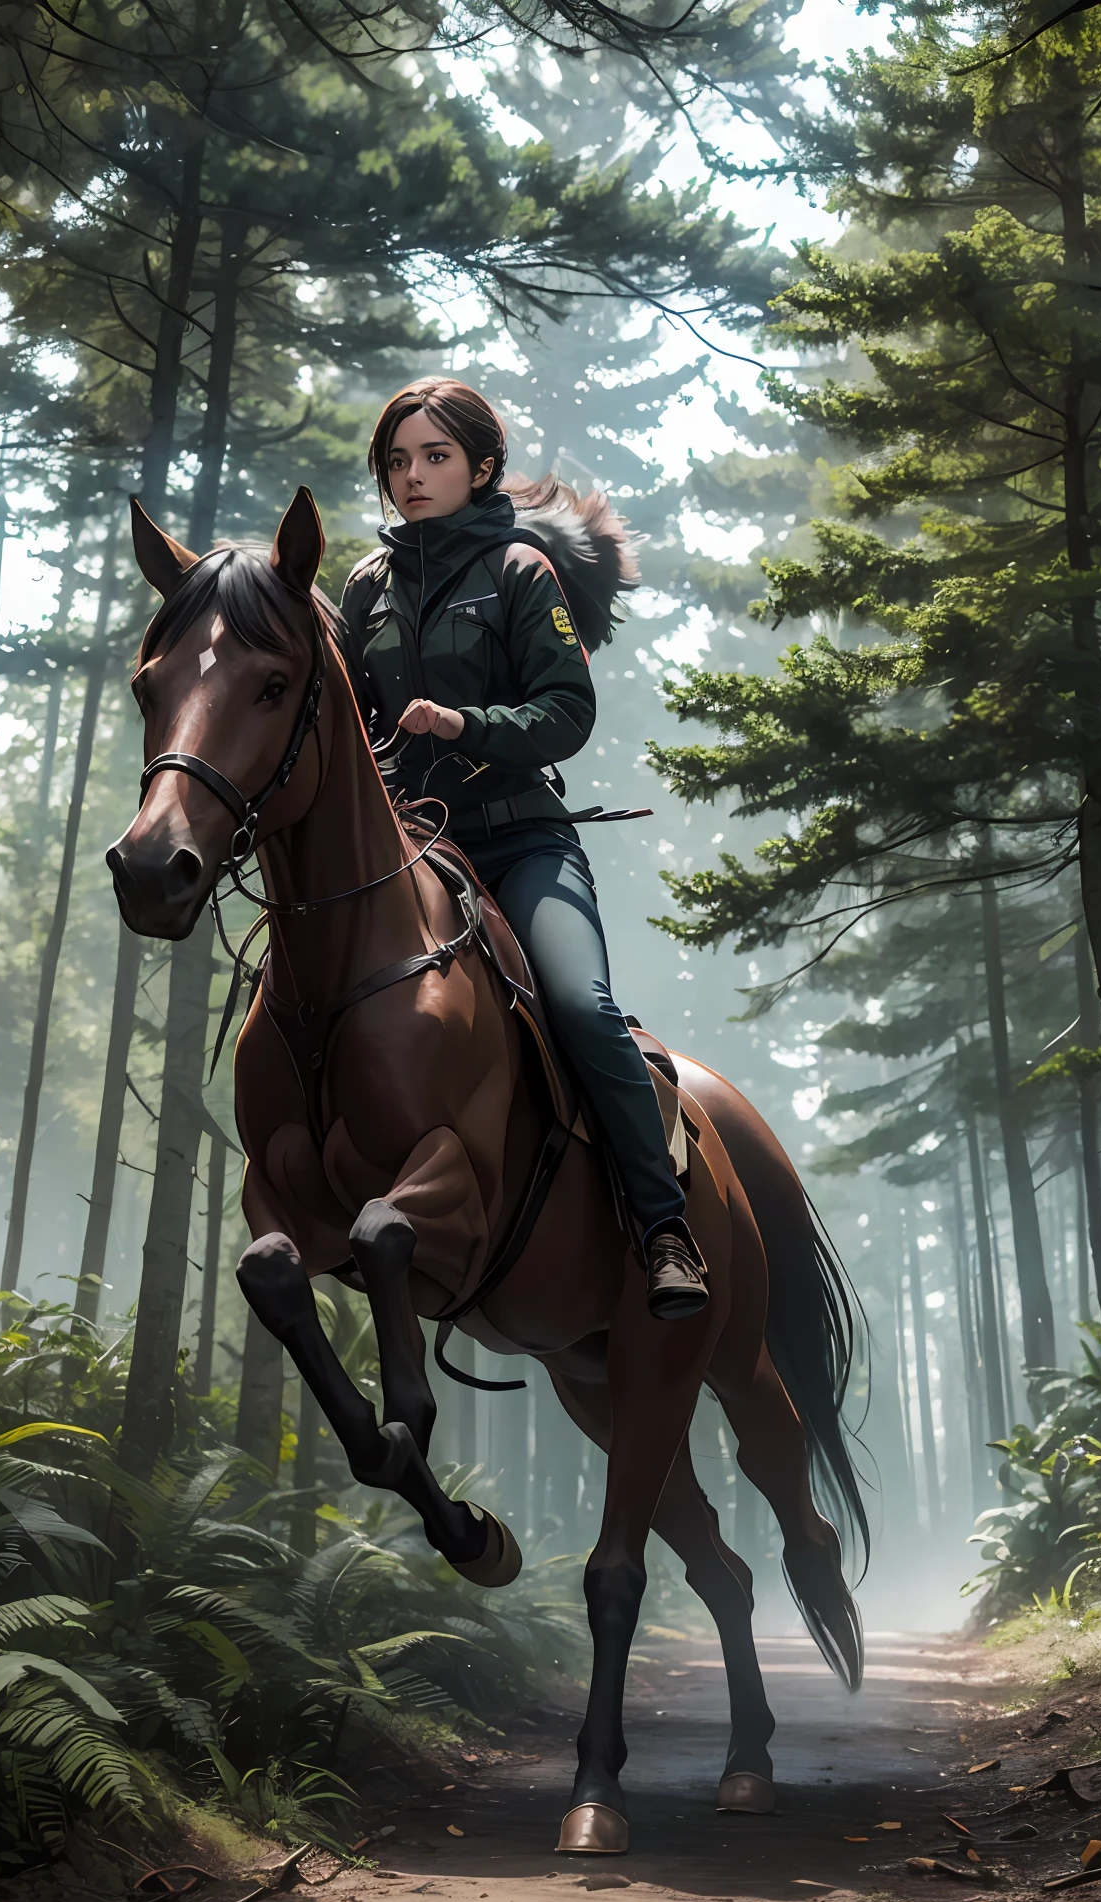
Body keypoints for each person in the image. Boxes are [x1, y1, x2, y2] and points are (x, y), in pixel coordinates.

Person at [339, 376, 708, 1321]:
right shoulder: (365, 589)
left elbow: (567, 713)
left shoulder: (518, 571)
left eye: (434, 457)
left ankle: (665, 1229)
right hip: (408, 864)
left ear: (482, 468)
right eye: (397, 462)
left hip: (519, 849)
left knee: (583, 1012)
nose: (411, 477)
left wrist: (468, 724)